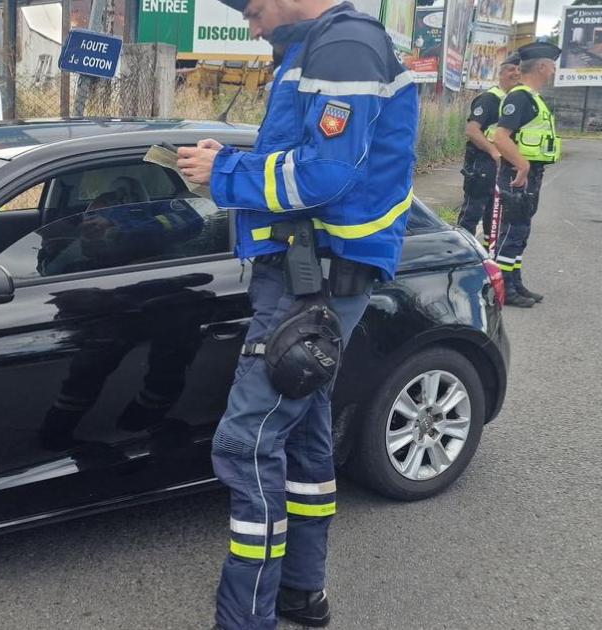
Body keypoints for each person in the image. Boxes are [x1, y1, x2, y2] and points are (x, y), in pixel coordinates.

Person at [175, 0, 418, 627]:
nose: (253, 27)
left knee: (246, 445)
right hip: (309, 277)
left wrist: (224, 172)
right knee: (305, 437)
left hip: (313, 284)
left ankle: (245, 619)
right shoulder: (319, 48)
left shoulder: (343, 48)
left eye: (253, 10)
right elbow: (306, 160)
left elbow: (326, 174)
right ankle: (301, 593)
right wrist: (232, 164)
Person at [491, 41, 562, 308]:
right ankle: (503, 288)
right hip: (517, 175)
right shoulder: (520, 97)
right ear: (542, 66)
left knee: (521, 231)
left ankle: (515, 282)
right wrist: (522, 165)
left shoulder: (533, 98)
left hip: (530, 174)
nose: (554, 70)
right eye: (552, 65)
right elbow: (500, 136)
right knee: (512, 231)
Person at [458, 53, 521, 246]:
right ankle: (462, 253)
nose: (515, 73)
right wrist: (494, 151)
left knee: (494, 215)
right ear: (500, 74)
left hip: (502, 166)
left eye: (519, 70)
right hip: (482, 164)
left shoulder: (516, 101)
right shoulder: (489, 99)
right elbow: (472, 130)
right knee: (472, 211)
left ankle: (487, 255)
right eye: (511, 69)